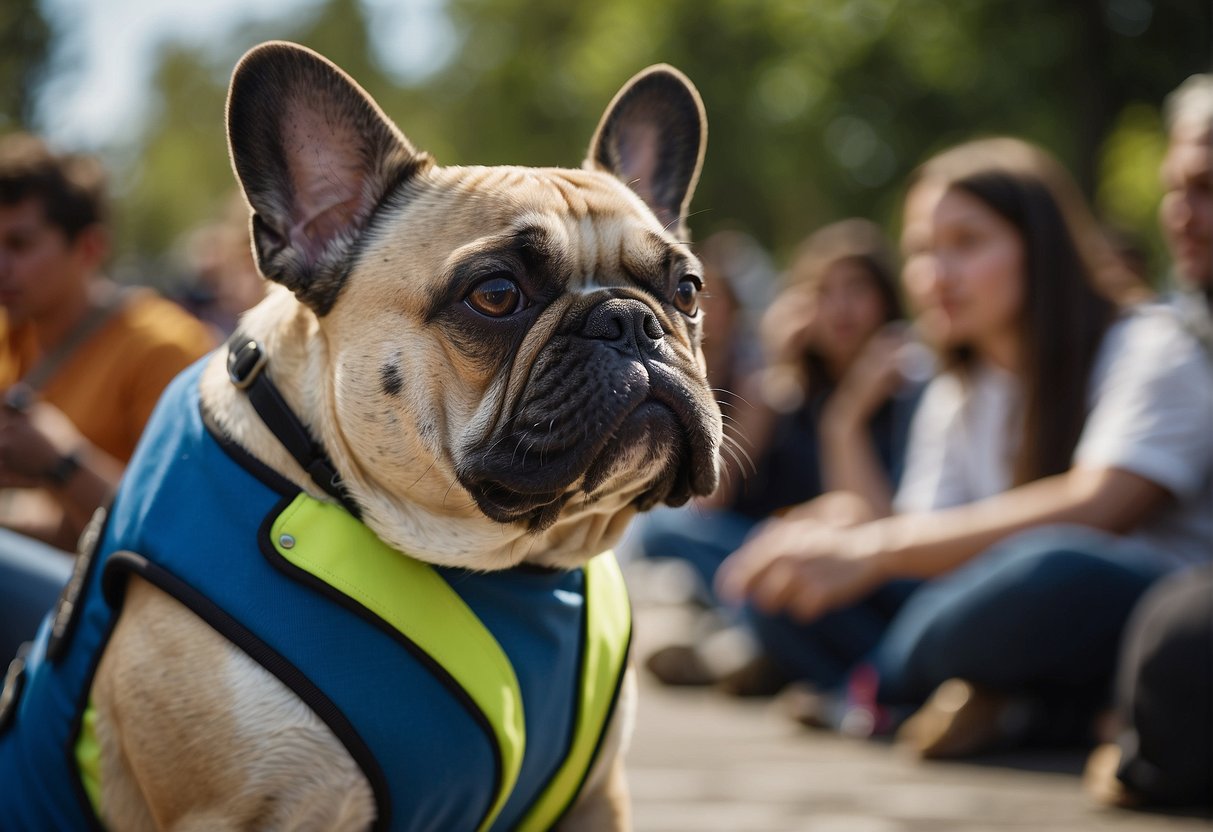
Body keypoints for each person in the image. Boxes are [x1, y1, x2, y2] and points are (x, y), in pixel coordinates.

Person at [717, 137, 1213, 756]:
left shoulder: (1149, 347)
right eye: (922, 250)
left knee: (1050, 568)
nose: (934, 275)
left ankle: (870, 693)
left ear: (1041, 247)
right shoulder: (959, 388)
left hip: (1119, 613)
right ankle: (994, 706)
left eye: (966, 243)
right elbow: (927, 539)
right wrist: (844, 532)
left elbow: (1101, 505)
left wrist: (876, 545)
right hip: (978, 612)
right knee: (787, 587)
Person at [637, 220, 923, 691]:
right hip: (777, 556)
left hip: (866, 574)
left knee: (764, 589)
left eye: (857, 289)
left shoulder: (910, 389)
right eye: (824, 292)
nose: (841, 308)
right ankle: (742, 642)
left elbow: (879, 524)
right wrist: (769, 376)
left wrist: (846, 419)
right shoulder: (792, 392)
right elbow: (711, 497)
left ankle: (737, 644)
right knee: (665, 527)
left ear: (886, 299)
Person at [0, 134, 215, 658]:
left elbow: (188, 540)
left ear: (89, 248)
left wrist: (62, 464)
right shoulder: (14, 332)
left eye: (19, 244)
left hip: (137, 626)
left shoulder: (165, 349)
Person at [1083, 74, 1213, 812]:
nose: (1181, 217)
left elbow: (1100, 505)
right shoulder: (1171, 335)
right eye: (1175, 189)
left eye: (1205, 188)